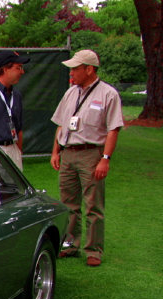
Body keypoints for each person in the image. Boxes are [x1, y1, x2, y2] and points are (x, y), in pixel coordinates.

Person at [50, 49, 123, 267]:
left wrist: (105, 158)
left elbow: (113, 130)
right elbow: (61, 124)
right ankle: (70, 245)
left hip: (92, 153)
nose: (71, 73)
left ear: (89, 69)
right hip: (68, 153)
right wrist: (56, 151)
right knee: (68, 203)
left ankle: (94, 250)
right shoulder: (70, 93)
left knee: (93, 204)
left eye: (75, 68)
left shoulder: (108, 94)